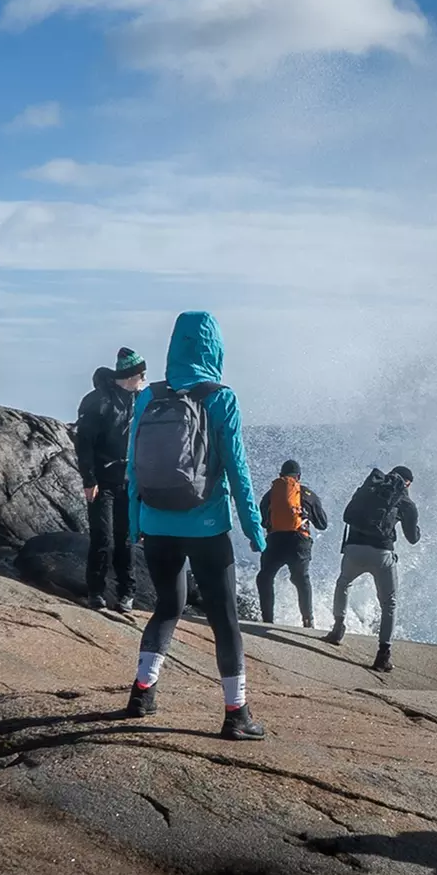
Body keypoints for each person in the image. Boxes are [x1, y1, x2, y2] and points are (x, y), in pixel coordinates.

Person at [123, 311, 268, 741]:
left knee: (168, 607)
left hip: (156, 524)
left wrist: (133, 524)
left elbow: (133, 467)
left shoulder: (149, 396)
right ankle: (236, 713)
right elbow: (237, 470)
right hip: (206, 526)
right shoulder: (220, 398)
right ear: (214, 348)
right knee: (225, 620)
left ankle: (141, 694)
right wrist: (253, 527)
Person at [325, 465, 420, 673]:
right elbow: (412, 538)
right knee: (389, 603)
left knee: (343, 583)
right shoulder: (405, 502)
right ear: (407, 483)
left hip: (353, 549)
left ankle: (337, 628)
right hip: (381, 554)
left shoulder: (370, 488)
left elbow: (349, 513)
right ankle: (383, 655)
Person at [72, 348, 146, 612]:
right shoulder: (98, 401)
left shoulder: (141, 401)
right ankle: (95, 592)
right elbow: (84, 443)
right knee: (102, 537)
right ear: (132, 376)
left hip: (129, 482)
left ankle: (127, 594)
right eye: (142, 375)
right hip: (102, 481)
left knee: (126, 539)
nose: (144, 380)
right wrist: (89, 479)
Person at [255, 459, 329, 627]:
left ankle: (267, 620)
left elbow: (264, 522)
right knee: (301, 578)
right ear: (299, 477)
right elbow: (322, 524)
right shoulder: (308, 494)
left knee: (265, 577)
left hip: (275, 541)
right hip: (299, 542)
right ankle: (308, 620)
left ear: (280, 475)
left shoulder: (270, 494)